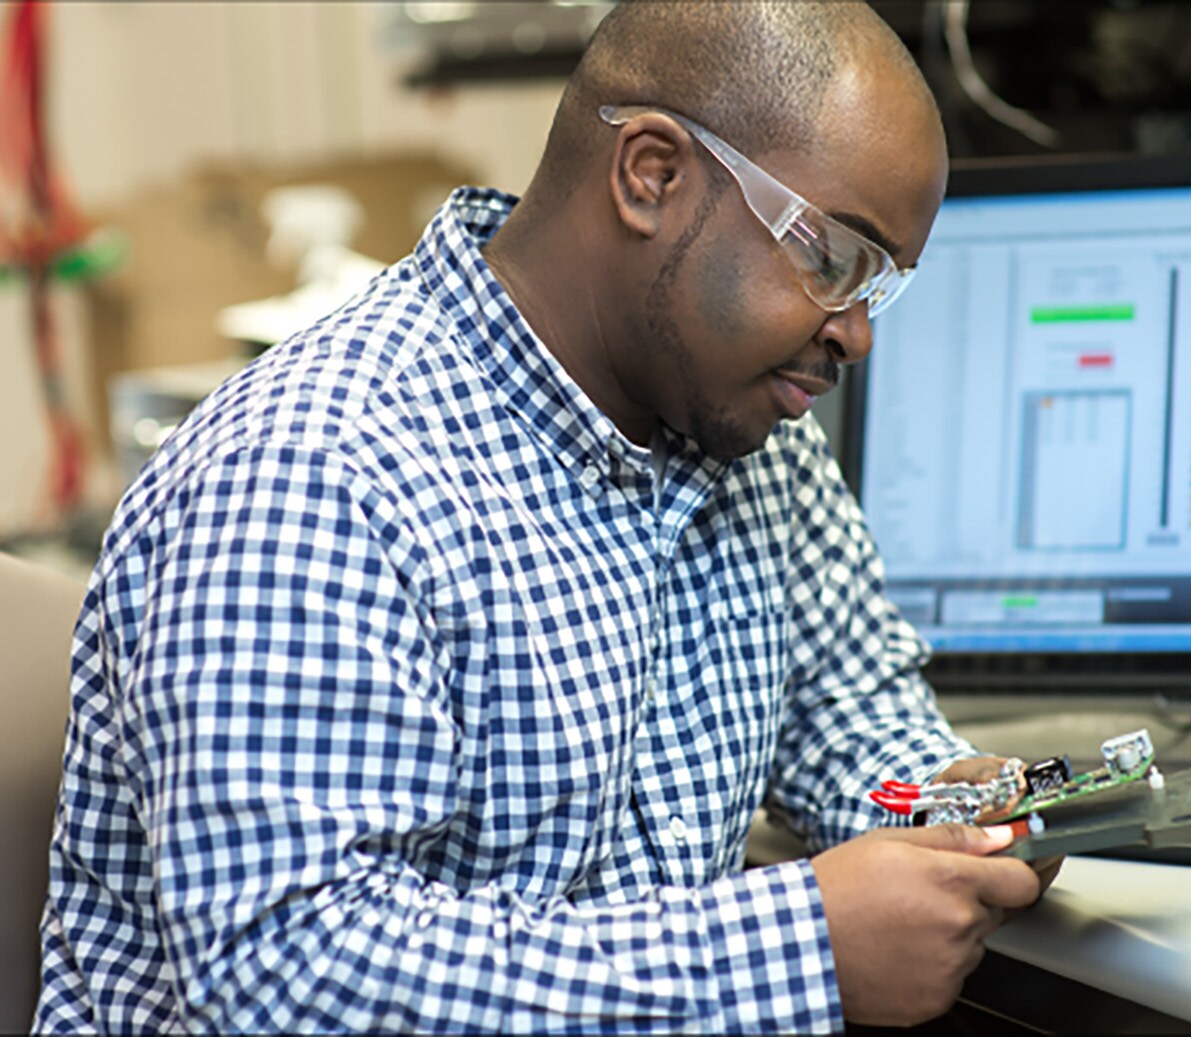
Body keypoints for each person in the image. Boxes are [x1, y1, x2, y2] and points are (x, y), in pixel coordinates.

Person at [36, 1, 1058, 1032]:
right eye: (834, 258)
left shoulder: (746, 437)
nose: (853, 336)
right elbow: (288, 967)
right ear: (651, 174)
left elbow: (847, 717)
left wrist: (958, 813)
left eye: (880, 289)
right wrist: (801, 949)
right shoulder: (314, 469)